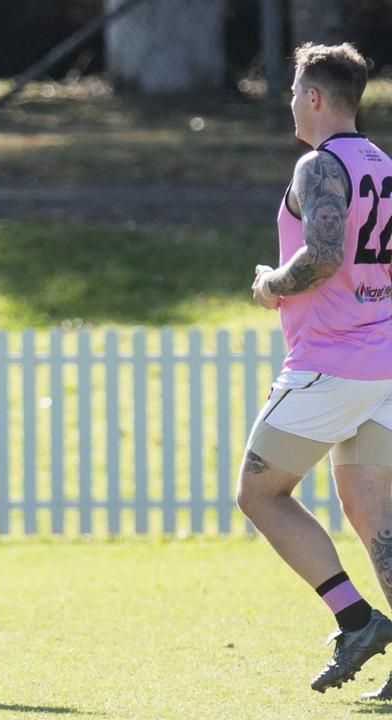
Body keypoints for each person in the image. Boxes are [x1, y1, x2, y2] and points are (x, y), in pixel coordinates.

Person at [240, 42, 392, 697]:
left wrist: (272, 284)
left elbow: (323, 253)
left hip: (330, 365)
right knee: (374, 517)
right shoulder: (384, 167)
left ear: (316, 97)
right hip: (384, 365)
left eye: (296, 90)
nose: (291, 102)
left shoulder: (319, 164)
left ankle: (355, 619)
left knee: (259, 493)